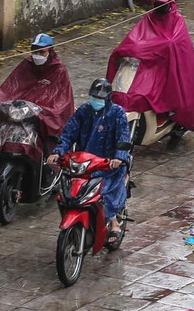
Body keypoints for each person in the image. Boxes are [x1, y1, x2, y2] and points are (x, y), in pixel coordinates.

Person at [106, 0, 194, 133]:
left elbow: (174, 42)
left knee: (161, 90)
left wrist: (158, 48)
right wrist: (128, 49)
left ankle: (168, 114)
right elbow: (136, 37)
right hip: (149, 64)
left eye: (162, 3)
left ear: (170, 3)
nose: (159, 6)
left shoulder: (177, 20)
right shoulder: (149, 18)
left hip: (166, 66)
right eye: (157, 3)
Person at [49, 79, 132, 242]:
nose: (96, 101)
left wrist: (119, 157)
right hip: (83, 164)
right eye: (94, 97)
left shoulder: (117, 113)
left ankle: (114, 223)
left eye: (100, 98)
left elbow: (123, 136)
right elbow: (68, 134)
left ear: (107, 98)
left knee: (105, 192)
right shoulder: (83, 111)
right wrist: (58, 152)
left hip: (108, 165)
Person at [0, 33, 75, 158]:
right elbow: (10, 87)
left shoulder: (58, 69)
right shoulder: (26, 65)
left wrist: (41, 112)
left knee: (47, 137)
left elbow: (61, 100)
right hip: (22, 112)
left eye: (42, 52)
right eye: (35, 51)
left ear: (50, 51)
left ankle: (47, 162)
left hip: (43, 114)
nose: (38, 55)